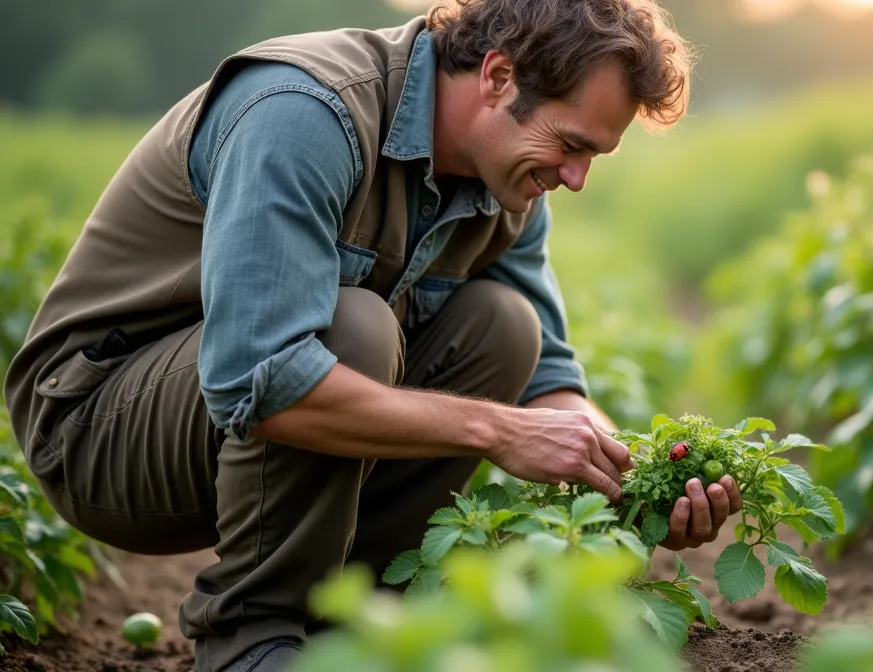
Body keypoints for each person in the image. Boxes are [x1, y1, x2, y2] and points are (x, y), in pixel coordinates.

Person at [2, 1, 742, 669]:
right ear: (497, 76)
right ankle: (252, 638)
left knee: (503, 327)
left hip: (220, 424)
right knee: (350, 326)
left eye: (593, 158)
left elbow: (549, 378)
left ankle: (346, 628)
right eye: (571, 144)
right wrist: (494, 430)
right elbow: (259, 378)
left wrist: (637, 475)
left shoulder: (508, 179)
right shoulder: (306, 111)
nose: (577, 178)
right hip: (101, 430)